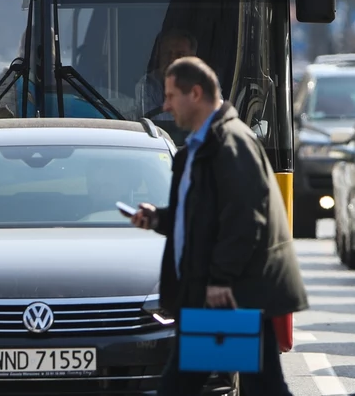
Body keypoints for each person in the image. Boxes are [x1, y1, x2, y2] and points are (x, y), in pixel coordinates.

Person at [128, 56, 306, 396]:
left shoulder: (229, 142)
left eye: (170, 96)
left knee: (189, 384)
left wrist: (220, 279)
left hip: (231, 295)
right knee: (255, 385)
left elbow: (244, 217)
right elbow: (201, 215)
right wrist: (159, 218)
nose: (163, 105)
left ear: (195, 93)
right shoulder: (201, 145)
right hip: (221, 293)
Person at [135, 29, 198, 119]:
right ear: (160, 56)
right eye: (167, 54)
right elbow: (154, 122)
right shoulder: (147, 84)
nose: (172, 60)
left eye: (180, 55)